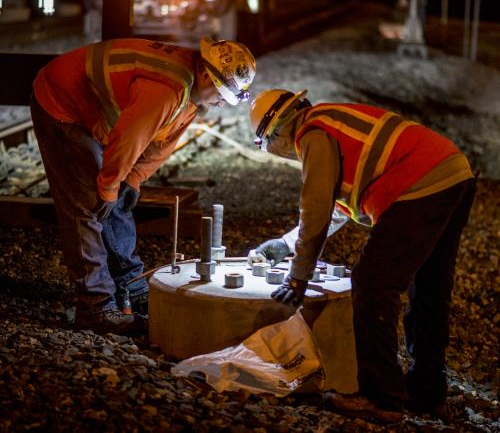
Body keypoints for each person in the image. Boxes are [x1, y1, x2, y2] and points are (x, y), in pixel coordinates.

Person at [248, 89, 476, 422]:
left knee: (372, 283)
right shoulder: (330, 119)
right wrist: (285, 244)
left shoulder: (312, 133)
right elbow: (336, 208)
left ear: (274, 136)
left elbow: (315, 209)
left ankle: (381, 397)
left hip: (417, 182)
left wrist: (298, 278)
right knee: (430, 288)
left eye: (267, 148)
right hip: (454, 173)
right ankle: (427, 392)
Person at [31, 37, 256, 335]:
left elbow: (160, 143)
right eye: (221, 94)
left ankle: (132, 286)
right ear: (205, 74)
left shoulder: (192, 92)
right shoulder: (167, 89)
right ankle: (94, 306)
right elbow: (129, 137)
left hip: (93, 110)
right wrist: (109, 186)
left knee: (118, 197)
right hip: (62, 100)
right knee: (86, 205)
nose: (221, 102)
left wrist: (132, 179)